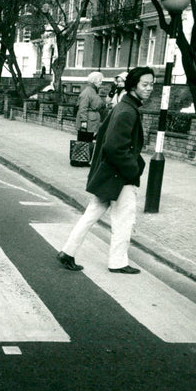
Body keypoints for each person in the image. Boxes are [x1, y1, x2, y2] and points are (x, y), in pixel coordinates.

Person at [57, 67, 155, 274]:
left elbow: (103, 136)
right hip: (120, 176)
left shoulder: (123, 106)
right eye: (145, 84)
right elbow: (113, 146)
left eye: (151, 84)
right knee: (124, 221)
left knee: (91, 214)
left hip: (109, 173)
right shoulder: (127, 111)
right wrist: (133, 169)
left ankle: (67, 252)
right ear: (133, 86)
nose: (149, 88)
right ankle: (117, 262)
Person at [75, 71, 107, 137]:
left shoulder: (93, 91)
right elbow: (83, 107)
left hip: (91, 123)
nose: (101, 82)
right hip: (88, 124)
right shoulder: (87, 92)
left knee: (88, 143)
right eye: (99, 80)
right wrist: (83, 121)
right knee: (84, 143)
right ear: (93, 81)